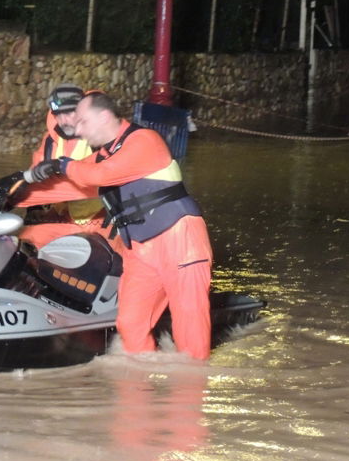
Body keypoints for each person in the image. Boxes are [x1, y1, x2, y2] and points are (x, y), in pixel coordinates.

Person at [22, 92, 213, 360]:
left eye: (83, 123)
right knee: (130, 325)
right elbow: (70, 184)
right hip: (140, 250)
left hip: (181, 243)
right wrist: (11, 195)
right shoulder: (105, 153)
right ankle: (138, 392)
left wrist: (62, 165)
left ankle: (189, 391)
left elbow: (98, 175)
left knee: (190, 333)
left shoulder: (145, 141)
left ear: (104, 117)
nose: (78, 131)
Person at [0, 83, 111, 249]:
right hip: (66, 216)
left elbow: (96, 181)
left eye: (70, 112)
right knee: (21, 244)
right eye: (58, 114)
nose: (65, 120)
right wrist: (31, 208)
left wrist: (21, 195)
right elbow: (36, 175)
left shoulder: (102, 136)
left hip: (102, 220)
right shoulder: (51, 140)